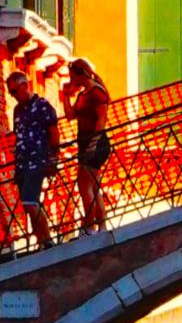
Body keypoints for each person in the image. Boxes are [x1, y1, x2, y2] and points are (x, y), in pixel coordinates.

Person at [7, 67, 59, 247]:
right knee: (28, 203)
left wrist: (54, 159)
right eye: (10, 92)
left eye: (14, 91)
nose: (13, 95)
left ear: (25, 86)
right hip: (22, 163)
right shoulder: (17, 111)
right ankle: (42, 240)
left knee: (29, 201)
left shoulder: (43, 106)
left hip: (38, 160)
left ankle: (47, 241)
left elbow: (54, 133)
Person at [68, 58, 113, 233]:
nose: (71, 80)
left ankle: (89, 226)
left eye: (73, 77)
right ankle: (101, 225)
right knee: (93, 186)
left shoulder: (96, 92)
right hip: (85, 143)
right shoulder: (82, 94)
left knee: (84, 184)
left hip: (95, 144)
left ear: (81, 75)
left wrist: (93, 143)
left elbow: (102, 119)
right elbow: (71, 116)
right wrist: (65, 95)